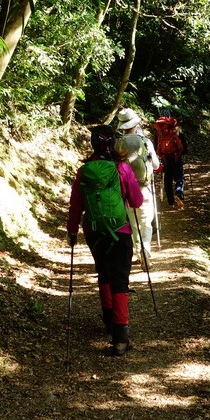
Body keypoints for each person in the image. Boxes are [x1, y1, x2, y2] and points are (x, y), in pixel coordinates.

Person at [66, 125, 144, 356]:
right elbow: (137, 201)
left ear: (93, 144)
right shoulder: (122, 168)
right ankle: (120, 337)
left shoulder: (85, 170)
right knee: (120, 281)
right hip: (120, 231)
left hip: (94, 231)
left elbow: (76, 205)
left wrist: (72, 231)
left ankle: (108, 317)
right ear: (115, 144)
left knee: (104, 272)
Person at [115, 108, 161, 270]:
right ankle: (145, 250)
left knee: (133, 223)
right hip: (143, 189)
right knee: (145, 222)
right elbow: (155, 166)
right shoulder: (145, 142)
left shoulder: (118, 144)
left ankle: (137, 250)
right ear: (135, 124)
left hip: (125, 191)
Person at [154, 111, 188, 209]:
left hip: (165, 158)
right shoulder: (175, 127)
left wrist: (158, 155)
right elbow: (183, 142)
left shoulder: (158, 130)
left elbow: (156, 144)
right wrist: (185, 151)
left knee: (167, 179)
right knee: (179, 177)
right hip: (176, 157)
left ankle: (170, 202)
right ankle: (178, 193)